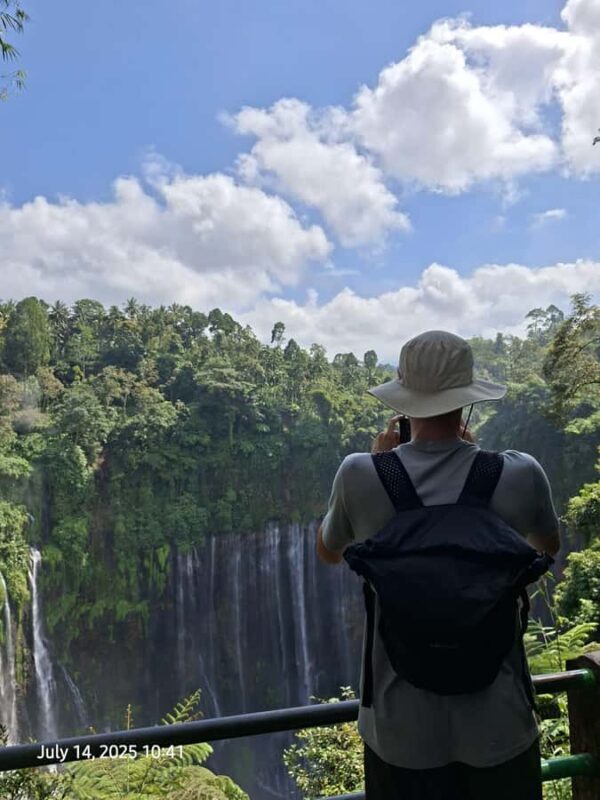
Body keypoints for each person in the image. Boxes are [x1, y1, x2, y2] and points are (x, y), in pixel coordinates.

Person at [316, 330, 560, 800]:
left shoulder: (360, 473)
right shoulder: (521, 472)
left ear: (403, 403)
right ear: (467, 402)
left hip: (399, 734)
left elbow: (328, 551)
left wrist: (381, 463)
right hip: (501, 727)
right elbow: (547, 545)